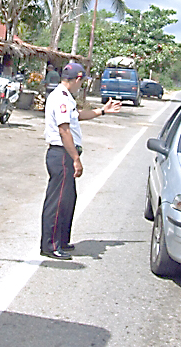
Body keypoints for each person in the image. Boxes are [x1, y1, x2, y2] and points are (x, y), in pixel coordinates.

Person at [40, 62, 121, 260]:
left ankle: (62, 240)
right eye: (82, 82)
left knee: (68, 199)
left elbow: (77, 117)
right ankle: (50, 245)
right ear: (77, 79)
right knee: (58, 201)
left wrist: (102, 111)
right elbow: (64, 130)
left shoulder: (67, 98)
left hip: (65, 153)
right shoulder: (60, 98)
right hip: (61, 154)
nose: (81, 85)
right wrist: (75, 158)